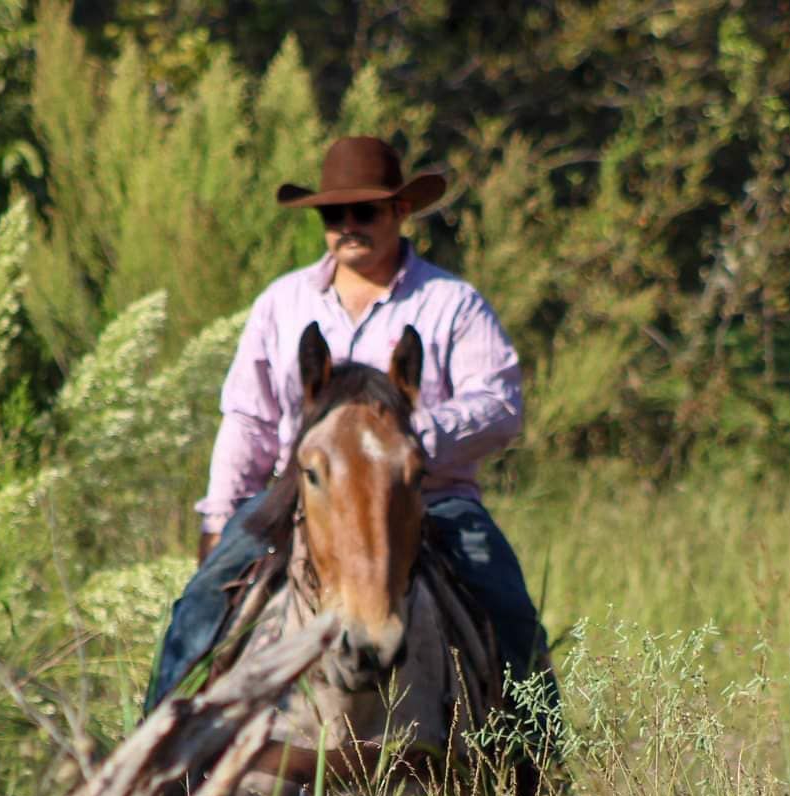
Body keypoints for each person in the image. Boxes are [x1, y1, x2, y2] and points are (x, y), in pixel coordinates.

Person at [144, 135, 557, 754]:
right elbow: (248, 418)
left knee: (508, 609)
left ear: (399, 212)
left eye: (364, 211)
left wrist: (407, 441)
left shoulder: (452, 303)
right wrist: (219, 516)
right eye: (333, 215)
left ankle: (539, 776)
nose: (348, 227)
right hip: (300, 498)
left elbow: (499, 405)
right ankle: (154, 767)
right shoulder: (282, 303)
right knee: (201, 603)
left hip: (430, 498)